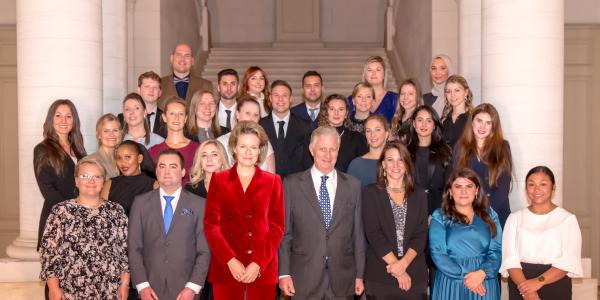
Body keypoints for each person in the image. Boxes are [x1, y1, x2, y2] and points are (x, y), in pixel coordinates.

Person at [279, 126, 366, 300]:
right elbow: (285, 233)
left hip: (343, 279)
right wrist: (284, 273)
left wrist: (359, 274)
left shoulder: (353, 185)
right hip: (303, 279)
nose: (328, 155)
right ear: (312, 150)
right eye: (322, 149)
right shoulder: (292, 184)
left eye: (333, 149)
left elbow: (357, 234)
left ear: (338, 150)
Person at [204, 121, 285, 299]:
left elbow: (277, 227)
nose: (248, 152)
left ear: (260, 150)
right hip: (227, 266)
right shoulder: (219, 180)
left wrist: (258, 263)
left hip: (262, 266)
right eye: (243, 146)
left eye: (253, 147)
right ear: (234, 148)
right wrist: (230, 261)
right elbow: (211, 227)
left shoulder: (273, 181)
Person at [40, 158, 129, 300]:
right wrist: (53, 288)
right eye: (85, 176)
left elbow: (125, 251)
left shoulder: (116, 211)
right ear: (76, 181)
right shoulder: (61, 211)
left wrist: (124, 284)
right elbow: (49, 253)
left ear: (103, 181)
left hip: (109, 290)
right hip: (70, 290)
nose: (91, 181)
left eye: (96, 176)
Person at [129, 149, 211, 300]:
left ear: (183, 172)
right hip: (150, 290)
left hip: (186, 290)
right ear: (156, 171)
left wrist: (192, 287)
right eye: (162, 166)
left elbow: (204, 251)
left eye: (173, 166)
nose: (167, 171)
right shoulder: (140, 203)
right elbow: (134, 248)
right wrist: (142, 285)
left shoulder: (200, 205)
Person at [500, 166, 582, 300]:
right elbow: (510, 259)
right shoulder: (515, 218)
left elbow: (569, 260)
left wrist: (538, 282)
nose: (537, 189)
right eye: (531, 184)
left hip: (555, 283)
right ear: (526, 189)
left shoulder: (567, 219)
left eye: (543, 184)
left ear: (553, 187)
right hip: (521, 284)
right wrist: (527, 290)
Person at [362, 142, 429, 300]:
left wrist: (403, 264)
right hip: (381, 274)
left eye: (400, 160)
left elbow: (421, 236)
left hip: (414, 274)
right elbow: (373, 234)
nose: (395, 165)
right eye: (390, 160)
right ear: (383, 164)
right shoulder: (370, 192)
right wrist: (398, 270)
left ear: (407, 164)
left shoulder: (419, 194)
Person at [429, 168, 502, 300]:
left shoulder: (491, 215)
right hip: (451, 281)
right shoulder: (440, 216)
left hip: (483, 281)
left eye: (469, 186)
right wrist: (466, 276)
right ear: (450, 191)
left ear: (477, 190)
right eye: (458, 186)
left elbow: (496, 251)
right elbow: (437, 253)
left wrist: (482, 273)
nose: (463, 191)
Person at [34, 99, 87, 250]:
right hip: (58, 219)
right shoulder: (42, 149)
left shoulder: (79, 148)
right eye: (58, 115)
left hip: (80, 219)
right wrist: (74, 211)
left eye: (68, 116)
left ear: (74, 120)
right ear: (51, 119)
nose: (63, 120)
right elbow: (48, 190)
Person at [453, 103, 513, 227]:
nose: (482, 126)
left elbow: (503, 189)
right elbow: (458, 184)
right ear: (472, 122)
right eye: (479, 120)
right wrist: (470, 214)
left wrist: (483, 215)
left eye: (488, 123)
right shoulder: (460, 147)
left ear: (493, 126)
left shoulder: (503, 147)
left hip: (497, 215)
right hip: (468, 215)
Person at [259, 80, 313, 177]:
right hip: (267, 183)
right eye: (276, 95)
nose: (280, 99)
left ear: (291, 98)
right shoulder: (260, 126)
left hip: (296, 184)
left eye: (284, 95)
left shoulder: (305, 126)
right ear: (270, 98)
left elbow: (308, 161)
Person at [406, 105, 451, 215]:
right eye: (420, 120)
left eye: (429, 121)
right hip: (412, 212)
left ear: (434, 125)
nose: (424, 125)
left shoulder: (445, 151)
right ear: (413, 124)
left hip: (439, 212)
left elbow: (450, 185)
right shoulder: (405, 152)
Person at [217, 95, 276, 173]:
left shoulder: (264, 142)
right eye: (248, 113)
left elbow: (272, 177)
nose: (252, 118)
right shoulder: (221, 141)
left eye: (256, 115)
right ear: (237, 114)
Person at [148, 97, 200, 184]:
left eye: (181, 114)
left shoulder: (198, 149)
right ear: (164, 117)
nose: (177, 118)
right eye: (172, 113)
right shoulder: (153, 151)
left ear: (186, 118)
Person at [101, 140, 158, 216]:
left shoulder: (154, 185)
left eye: (127, 157)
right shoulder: (109, 184)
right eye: (119, 158)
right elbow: (101, 216)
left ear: (139, 158)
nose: (123, 163)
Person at [318, 94, 368, 172]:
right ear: (326, 112)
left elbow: (363, 169)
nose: (336, 113)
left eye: (341, 109)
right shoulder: (315, 136)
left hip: (349, 183)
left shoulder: (358, 139)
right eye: (332, 109)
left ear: (346, 113)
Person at [158, 43, 213, 109]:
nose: (182, 59)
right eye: (179, 55)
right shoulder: (159, 84)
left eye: (187, 56)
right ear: (172, 58)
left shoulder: (206, 85)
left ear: (192, 61)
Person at [348, 56, 398, 122]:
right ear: (365, 75)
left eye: (378, 70)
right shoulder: (351, 100)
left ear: (384, 74)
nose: (374, 73)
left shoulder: (395, 99)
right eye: (369, 70)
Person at [118, 71, 167, 138]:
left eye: (155, 87)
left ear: (160, 92)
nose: (151, 90)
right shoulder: (121, 119)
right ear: (139, 90)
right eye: (147, 87)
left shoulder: (167, 119)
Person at [347, 115, 390, 186]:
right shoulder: (356, 165)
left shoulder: (397, 162)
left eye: (377, 130)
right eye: (368, 131)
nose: (372, 134)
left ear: (386, 134)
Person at [441, 75, 473, 148]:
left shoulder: (473, 119)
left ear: (466, 92)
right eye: (448, 91)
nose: (453, 95)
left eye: (457, 90)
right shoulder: (443, 120)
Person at [86, 113, 122, 179]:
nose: (111, 134)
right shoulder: (90, 161)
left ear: (120, 133)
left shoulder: (122, 159)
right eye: (106, 131)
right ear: (99, 135)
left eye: (115, 130)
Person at [390, 78, 423, 143]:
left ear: (417, 97)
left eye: (410, 94)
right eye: (402, 94)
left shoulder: (420, 120)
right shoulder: (397, 118)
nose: (405, 97)